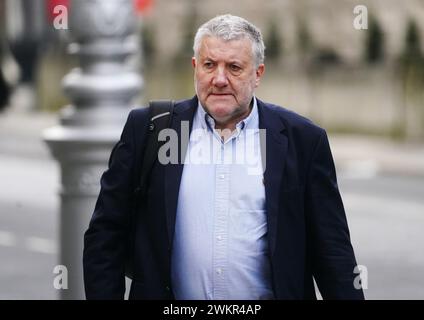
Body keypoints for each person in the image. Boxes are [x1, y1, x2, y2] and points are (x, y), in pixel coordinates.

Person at [83, 14, 364, 300]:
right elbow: (105, 235)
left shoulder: (302, 140)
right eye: (209, 65)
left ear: (258, 74)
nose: (219, 79)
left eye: (234, 67)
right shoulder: (152, 130)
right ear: (195, 68)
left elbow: (332, 251)